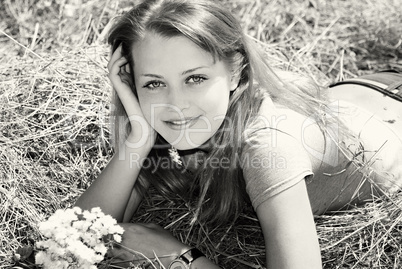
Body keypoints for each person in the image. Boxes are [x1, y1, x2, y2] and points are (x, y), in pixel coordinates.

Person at [75, 0, 402, 268]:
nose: (175, 105)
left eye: (195, 79)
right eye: (154, 83)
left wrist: (180, 258)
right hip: (351, 98)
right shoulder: (175, 121)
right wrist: (140, 137)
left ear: (236, 73)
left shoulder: (268, 146)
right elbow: (78, 236)